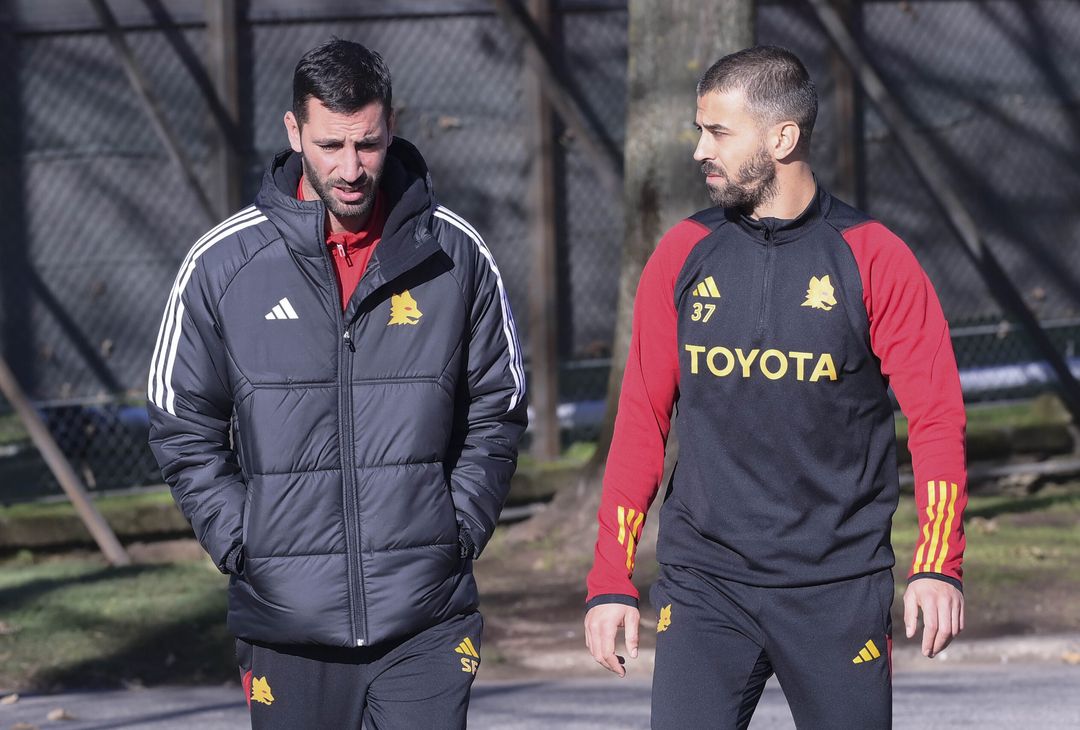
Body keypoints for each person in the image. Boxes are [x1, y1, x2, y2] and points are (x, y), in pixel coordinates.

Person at [147, 39, 526, 729]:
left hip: (426, 616)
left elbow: (499, 407)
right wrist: (246, 545)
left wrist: (456, 529)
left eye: (369, 145)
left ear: (391, 127)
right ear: (294, 132)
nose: (351, 169)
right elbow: (182, 422)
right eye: (330, 145)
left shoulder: (456, 254)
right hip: (287, 628)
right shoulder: (224, 264)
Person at [584, 45, 966, 729]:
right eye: (701, 130)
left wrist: (937, 564)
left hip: (836, 588)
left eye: (719, 132)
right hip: (704, 587)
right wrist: (611, 577)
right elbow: (642, 418)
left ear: (783, 138)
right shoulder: (681, 253)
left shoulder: (875, 257)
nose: (701, 149)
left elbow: (936, 418)